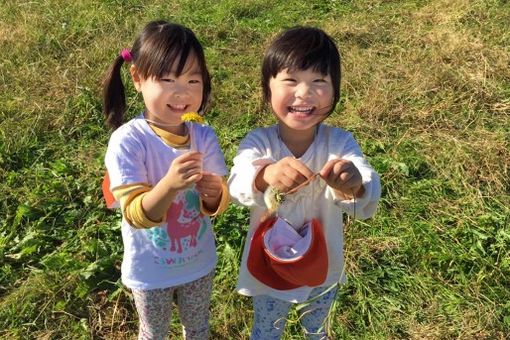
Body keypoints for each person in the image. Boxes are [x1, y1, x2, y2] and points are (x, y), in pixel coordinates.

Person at [228, 26, 381, 339]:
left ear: (335, 91)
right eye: (290, 80)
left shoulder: (339, 143)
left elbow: (366, 193)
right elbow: (236, 183)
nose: (304, 93)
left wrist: (352, 182)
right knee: (266, 330)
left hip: (322, 268)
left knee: (317, 328)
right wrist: (264, 176)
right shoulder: (259, 143)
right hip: (270, 268)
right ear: (267, 88)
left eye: (319, 82)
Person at [103, 20, 229, 340]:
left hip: (198, 264)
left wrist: (214, 193)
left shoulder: (203, 135)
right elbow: (135, 213)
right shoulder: (128, 141)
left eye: (192, 79)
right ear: (137, 79)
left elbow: (217, 202)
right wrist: (169, 185)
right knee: (154, 331)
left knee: (199, 327)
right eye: (167, 78)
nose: (181, 91)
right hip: (150, 271)